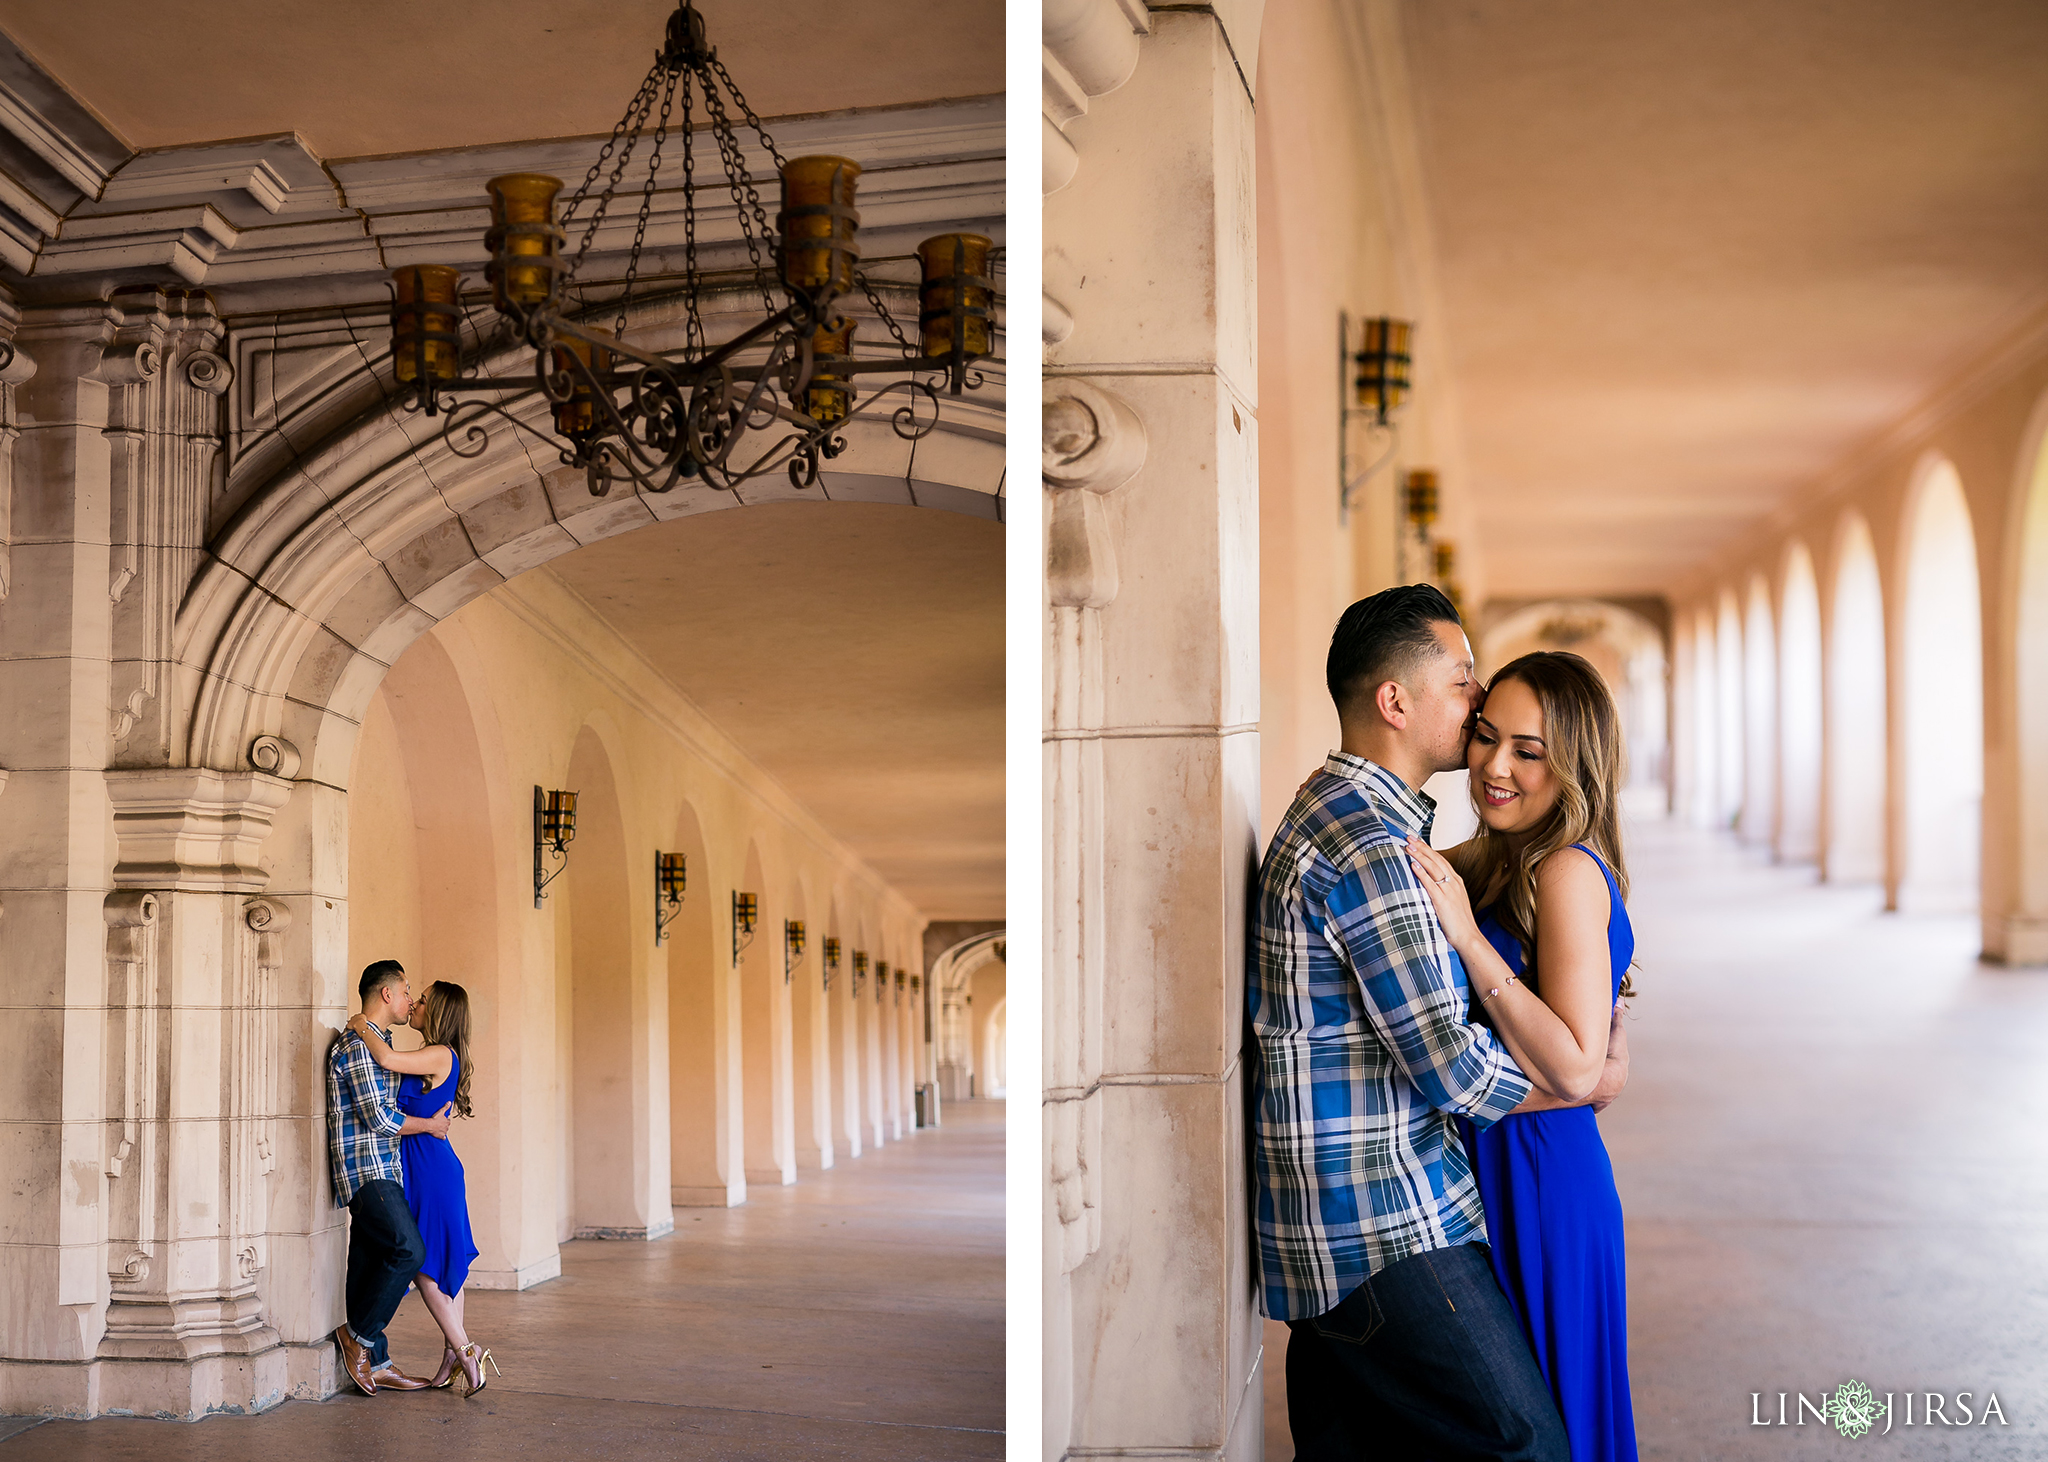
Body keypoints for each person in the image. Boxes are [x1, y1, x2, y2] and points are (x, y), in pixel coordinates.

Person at [1249, 584, 1628, 1462]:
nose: (1478, 710)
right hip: (1387, 1221)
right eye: (1466, 690)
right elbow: (1458, 1071)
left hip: (1343, 1222)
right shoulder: (1374, 846)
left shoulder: (1362, 822)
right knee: (1524, 1443)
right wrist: (1589, 1074)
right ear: (1396, 701)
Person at [1404, 651, 1640, 1462]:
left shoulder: (1568, 870)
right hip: (1481, 1171)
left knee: (1546, 1422)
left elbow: (1575, 1068)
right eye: (1485, 736)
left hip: (1540, 1182)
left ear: (1574, 764)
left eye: (1529, 751)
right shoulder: (1476, 864)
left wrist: (1468, 939)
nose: (1493, 766)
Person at [347, 980, 495, 1397]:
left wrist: (361, 1024)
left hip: (431, 1170)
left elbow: (388, 1058)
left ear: (441, 1011)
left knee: (427, 1266)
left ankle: (467, 1354)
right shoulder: (437, 1054)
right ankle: (453, 1351)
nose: (416, 1002)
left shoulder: (438, 1053)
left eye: (424, 998)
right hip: (426, 1165)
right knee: (447, 1265)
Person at [325, 959, 452, 1396]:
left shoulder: (381, 1043)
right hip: (366, 1169)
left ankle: (377, 1361)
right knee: (408, 1250)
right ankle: (357, 1338)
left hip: (387, 1166)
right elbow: (379, 1118)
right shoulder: (360, 1046)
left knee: (366, 1262)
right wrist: (431, 1127)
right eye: (405, 991)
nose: (409, 998)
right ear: (386, 994)